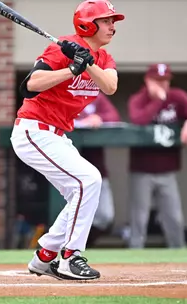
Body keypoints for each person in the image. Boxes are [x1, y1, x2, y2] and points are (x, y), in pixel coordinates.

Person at [11, 0, 124, 280]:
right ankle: (70, 257)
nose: (112, 26)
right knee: (90, 180)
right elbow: (30, 85)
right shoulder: (60, 47)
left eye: (113, 21)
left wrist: (86, 63)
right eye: (106, 20)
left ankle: (45, 256)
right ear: (88, 24)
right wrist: (71, 69)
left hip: (58, 136)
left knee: (82, 191)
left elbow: (110, 86)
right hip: (33, 130)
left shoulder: (104, 58)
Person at [126, 63, 187, 249]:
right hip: (141, 170)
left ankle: (180, 257)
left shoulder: (178, 96)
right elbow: (139, 120)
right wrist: (158, 101)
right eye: (157, 80)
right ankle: (133, 259)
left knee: (174, 218)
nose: (162, 84)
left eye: (165, 80)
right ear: (147, 80)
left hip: (168, 170)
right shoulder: (138, 99)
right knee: (139, 219)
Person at [73, 92, 121, 248]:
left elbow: (114, 116)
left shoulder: (95, 95)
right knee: (72, 214)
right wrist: (81, 121)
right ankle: (68, 248)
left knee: (105, 216)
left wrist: (98, 118)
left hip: (97, 168)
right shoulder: (64, 91)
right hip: (69, 172)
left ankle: (84, 245)